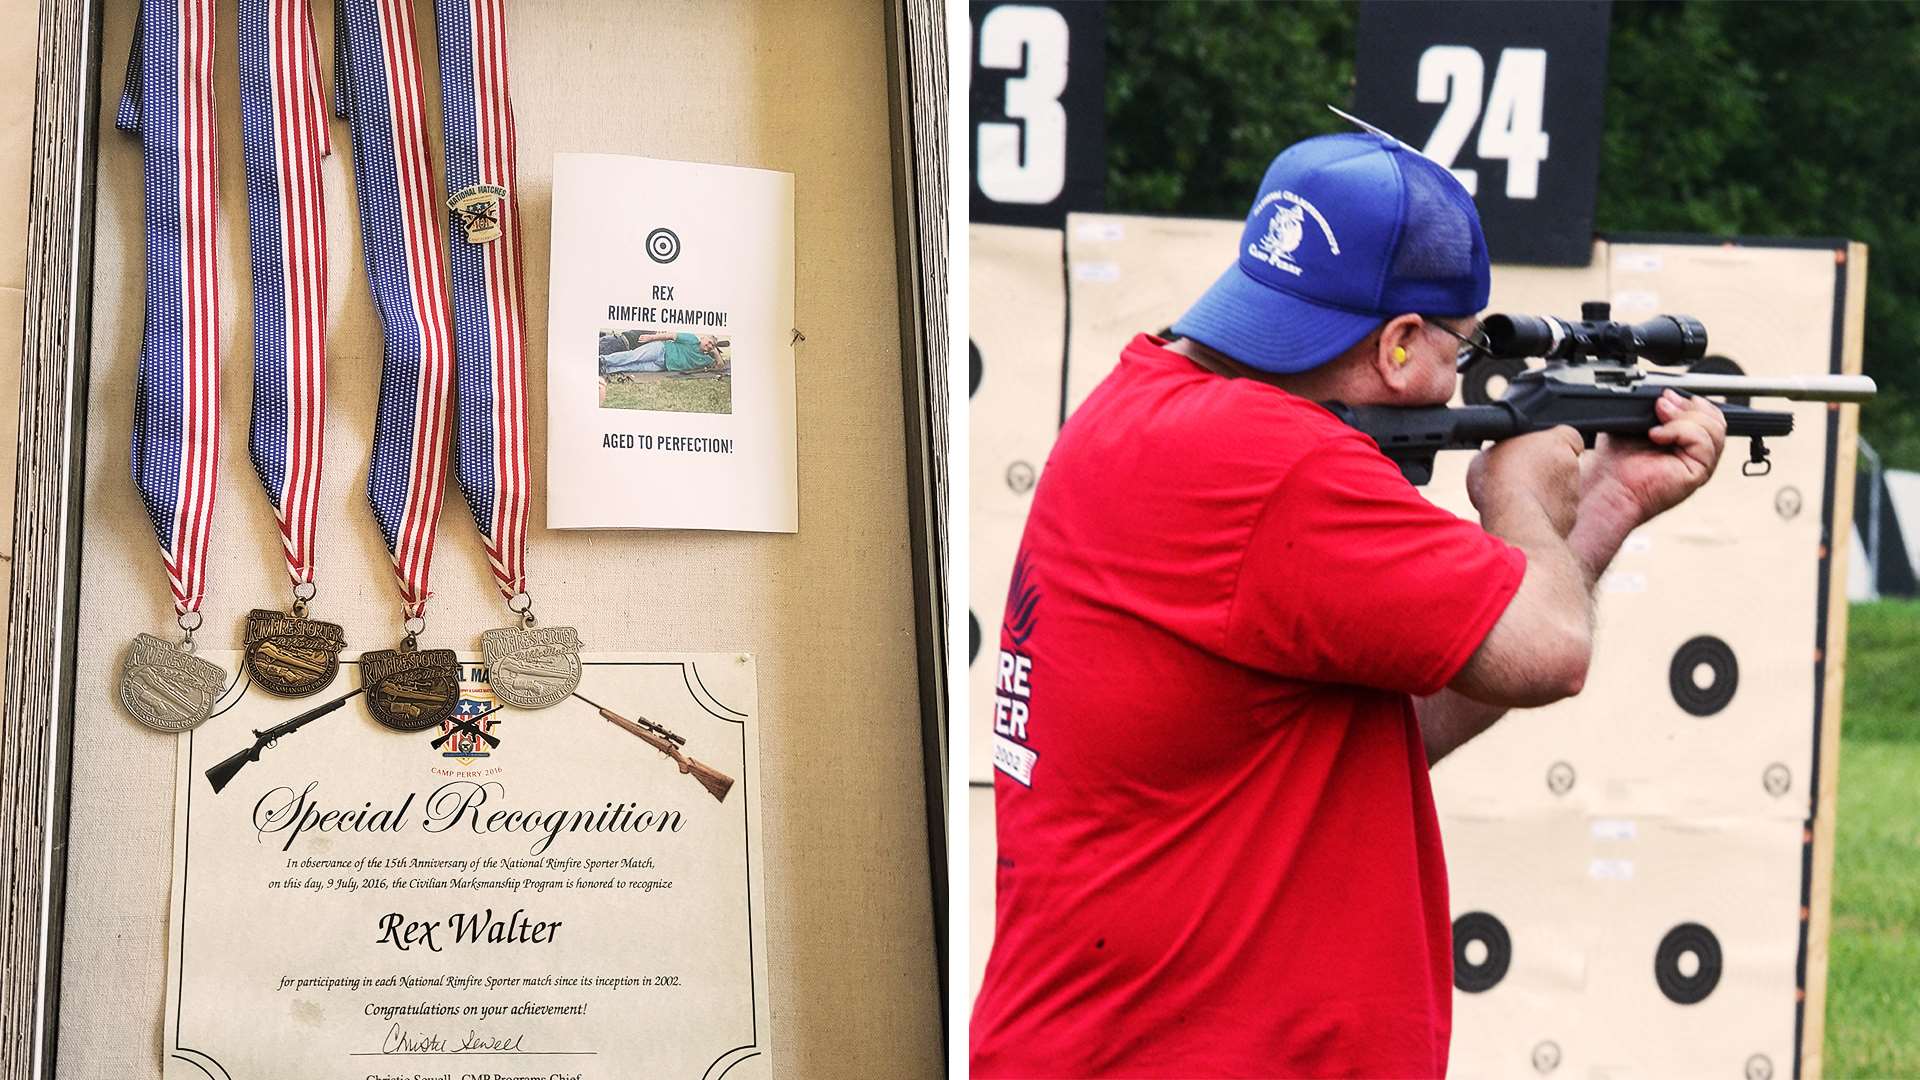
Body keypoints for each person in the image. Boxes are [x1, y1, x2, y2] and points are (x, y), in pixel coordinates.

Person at [969, 132, 1728, 1078]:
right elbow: (1551, 649)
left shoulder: (1148, 404)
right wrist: (1519, 497)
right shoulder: (1281, 464)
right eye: (1463, 346)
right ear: (1400, 345)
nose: (1462, 380)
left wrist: (1600, 512)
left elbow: (1398, 726)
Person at [597, 332, 726, 406]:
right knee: (632, 356)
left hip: (663, 366)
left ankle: (607, 369)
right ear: (703, 338)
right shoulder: (691, 338)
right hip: (661, 350)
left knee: (634, 367)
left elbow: (720, 367)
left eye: (712, 345)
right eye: (708, 342)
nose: (708, 345)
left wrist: (715, 352)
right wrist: (651, 338)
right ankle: (603, 360)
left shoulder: (707, 359)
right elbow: (671, 336)